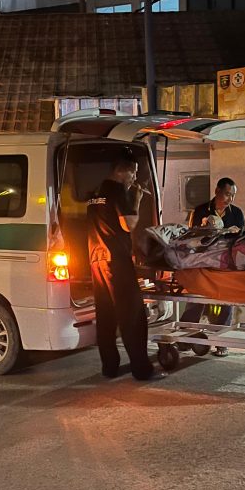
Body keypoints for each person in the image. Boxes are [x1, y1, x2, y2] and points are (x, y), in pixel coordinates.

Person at [87, 154, 166, 381]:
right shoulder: (117, 190)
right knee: (132, 314)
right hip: (116, 260)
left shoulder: (96, 192)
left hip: (96, 258)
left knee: (106, 314)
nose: (134, 178)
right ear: (123, 171)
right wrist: (137, 198)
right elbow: (128, 223)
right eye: (133, 173)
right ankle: (142, 370)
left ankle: (109, 367)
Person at [181, 177, 245, 356]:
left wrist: (231, 233)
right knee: (196, 298)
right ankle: (185, 338)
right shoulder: (201, 210)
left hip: (226, 263)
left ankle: (221, 342)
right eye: (227, 194)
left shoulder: (237, 213)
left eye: (232, 195)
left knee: (226, 301)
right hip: (203, 261)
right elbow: (190, 238)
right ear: (217, 191)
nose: (229, 199)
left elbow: (242, 238)